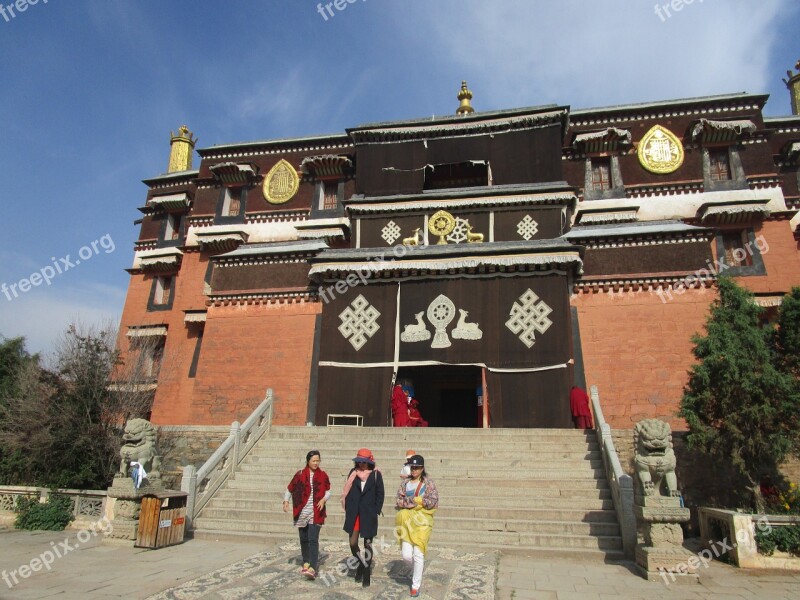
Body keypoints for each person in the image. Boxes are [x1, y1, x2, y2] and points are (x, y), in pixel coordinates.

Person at [395, 454, 439, 597]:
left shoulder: (428, 483)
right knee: (407, 555)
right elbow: (399, 501)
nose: (414, 470)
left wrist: (413, 502)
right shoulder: (405, 484)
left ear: (422, 468)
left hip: (422, 521)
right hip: (407, 522)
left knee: (418, 553)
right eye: (412, 467)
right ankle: (415, 571)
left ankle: (415, 584)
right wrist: (417, 501)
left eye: (417, 468)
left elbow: (432, 501)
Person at [283, 449, 331, 581]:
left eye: (318, 460)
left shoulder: (323, 475)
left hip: (316, 512)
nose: (316, 463)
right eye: (313, 460)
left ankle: (313, 567)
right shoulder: (299, 474)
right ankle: (306, 561)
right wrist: (286, 501)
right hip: (302, 512)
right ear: (308, 461)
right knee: (304, 539)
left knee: (313, 540)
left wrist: (323, 500)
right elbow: (289, 488)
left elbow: (328, 491)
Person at [341, 448, 384, 587]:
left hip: (368, 514)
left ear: (370, 462)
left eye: (364, 462)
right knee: (353, 542)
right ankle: (361, 563)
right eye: (360, 462)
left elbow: (380, 493)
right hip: (354, 513)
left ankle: (366, 574)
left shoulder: (376, 474)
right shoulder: (353, 473)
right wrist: (348, 507)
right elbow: (347, 491)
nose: (362, 465)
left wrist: (376, 510)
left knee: (368, 544)